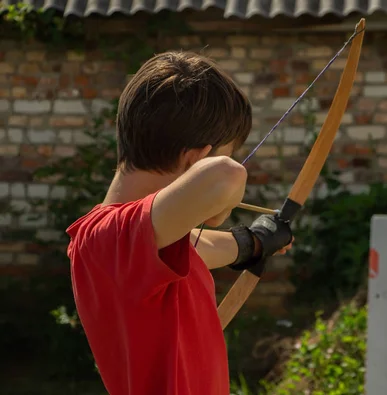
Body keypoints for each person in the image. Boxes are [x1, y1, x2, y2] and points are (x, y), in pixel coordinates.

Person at [66, 51, 294, 395]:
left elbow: (194, 250)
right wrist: (217, 207)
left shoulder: (146, 240)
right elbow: (225, 177)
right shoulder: (105, 238)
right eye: (225, 153)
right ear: (197, 160)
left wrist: (252, 243)